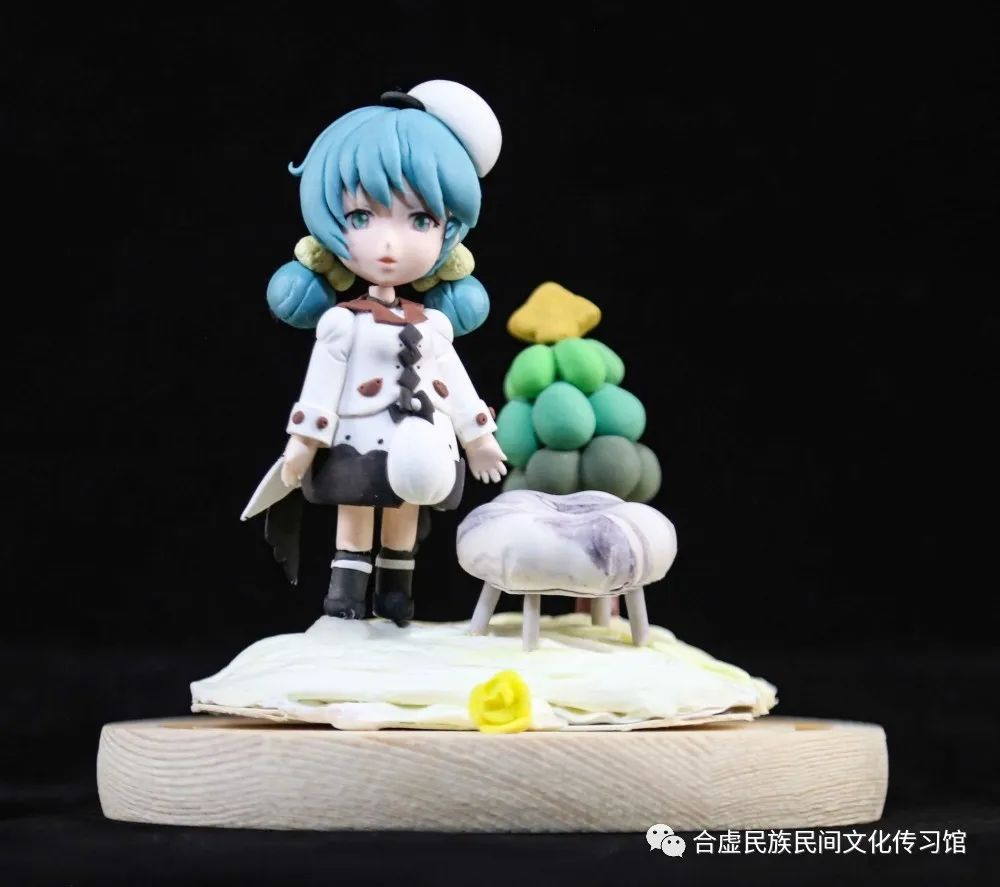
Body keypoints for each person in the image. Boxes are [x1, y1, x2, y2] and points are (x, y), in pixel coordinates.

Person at [256, 81, 507, 626]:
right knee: (354, 516)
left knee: (405, 516)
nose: (390, 245)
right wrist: (302, 443)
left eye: (420, 220)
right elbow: (320, 388)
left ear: (449, 231)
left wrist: (479, 438)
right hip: (358, 440)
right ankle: (345, 596)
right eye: (361, 218)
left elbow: (456, 385)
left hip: (424, 445)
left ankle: (397, 595)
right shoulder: (341, 323)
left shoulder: (434, 325)